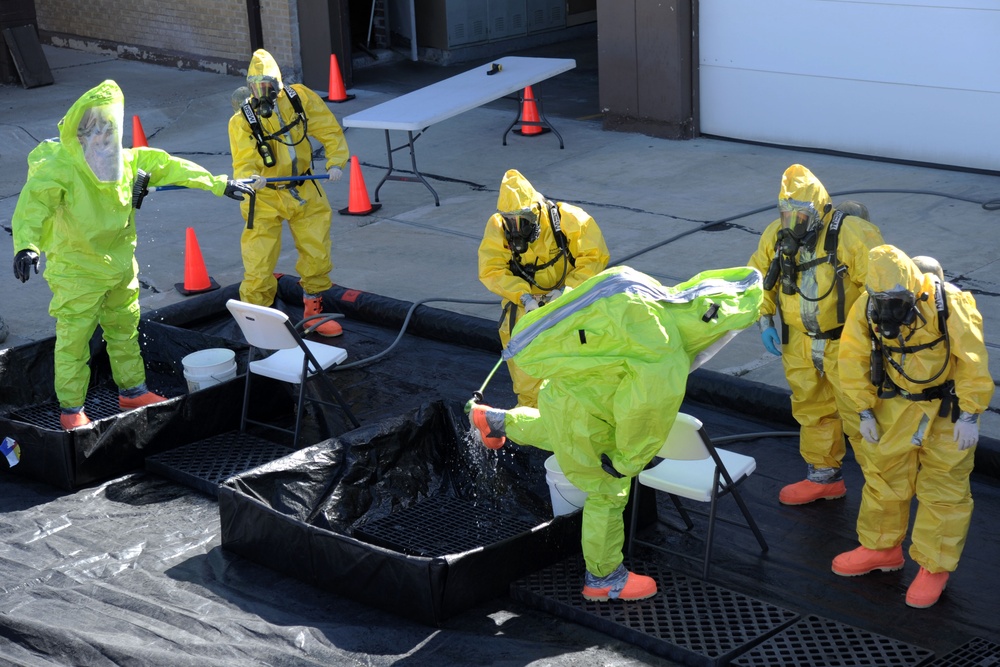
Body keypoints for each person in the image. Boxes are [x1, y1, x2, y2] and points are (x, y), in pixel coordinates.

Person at [470, 264, 763, 601]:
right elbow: (643, 415)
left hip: (563, 395)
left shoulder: (648, 297)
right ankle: (604, 577)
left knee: (560, 431)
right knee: (607, 494)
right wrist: (626, 462)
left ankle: (494, 421)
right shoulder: (666, 357)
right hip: (594, 419)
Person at [11, 79, 254, 430]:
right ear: (80, 135)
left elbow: (172, 166)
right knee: (74, 341)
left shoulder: (127, 162)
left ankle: (132, 390)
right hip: (77, 271)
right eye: (96, 132)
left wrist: (220, 183)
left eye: (109, 131)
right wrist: (27, 246)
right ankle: (70, 411)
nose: (104, 139)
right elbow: (33, 206)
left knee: (124, 330)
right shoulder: (59, 169)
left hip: (121, 267)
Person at [833, 244, 992, 608]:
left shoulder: (948, 304)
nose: (889, 306)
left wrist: (970, 414)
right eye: (882, 298)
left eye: (896, 298)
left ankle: (933, 566)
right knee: (883, 476)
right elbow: (853, 357)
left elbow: (972, 361)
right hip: (894, 404)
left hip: (946, 410)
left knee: (944, 488)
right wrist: (863, 410)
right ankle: (881, 547)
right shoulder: (867, 304)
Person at [748, 164, 885, 505]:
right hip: (799, 341)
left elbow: (880, 287)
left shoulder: (853, 234)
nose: (793, 222)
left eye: (800, 213)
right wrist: (764, 321)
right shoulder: (774, 236)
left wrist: (878, 338)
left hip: (846, 344)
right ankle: (824, 476)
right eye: (786, 213)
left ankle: (883, 489)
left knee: (861, 414)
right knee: (812, 409)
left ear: (820, 209)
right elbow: (758, 279)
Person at [228, 49, 350, 337]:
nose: (263, 93)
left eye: (267, 85)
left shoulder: (299, 98)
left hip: (303, 187)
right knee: (258, 264)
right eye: (256, 86)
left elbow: (329, 129)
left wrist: (335, 162)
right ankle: (258, 323)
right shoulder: (241, 120)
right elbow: (243, 160)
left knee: (316, 252)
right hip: (264, 196)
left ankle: (312, 310)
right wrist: (249, 179)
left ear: (278, 84)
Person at [478, 169, 610, 407]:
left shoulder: (571, 220)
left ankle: (578, 416)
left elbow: (594, 258)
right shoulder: (497, 227)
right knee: (526, 372)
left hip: (572, 306)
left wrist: (566, 292)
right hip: (525, 309)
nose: (516, 227)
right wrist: (525, 297)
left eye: (523, 219)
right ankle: (532, 418)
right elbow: (492, 269)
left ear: (537, 211)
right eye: (510, 220)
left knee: (578, 369)